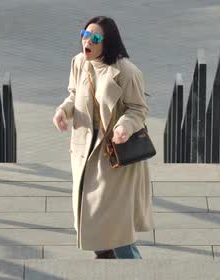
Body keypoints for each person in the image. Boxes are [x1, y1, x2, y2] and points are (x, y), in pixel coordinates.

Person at [52, 16, 155, 259]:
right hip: (86, 153)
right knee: (96, 223)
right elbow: (73, 95)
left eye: (95, 38)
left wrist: (124, 127)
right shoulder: (79, 63)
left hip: (114, 157)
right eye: (84, 35)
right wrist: (63, 111)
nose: (87, 41)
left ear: (107, 43)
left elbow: (139, 109)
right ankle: (107, 264)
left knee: (116, 232)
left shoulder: (127, 72)